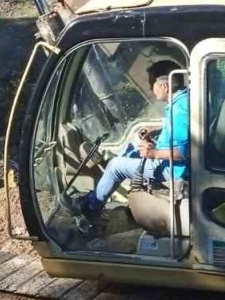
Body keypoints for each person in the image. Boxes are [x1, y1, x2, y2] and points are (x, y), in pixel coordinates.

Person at [80, 59, 189, 212]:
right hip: (169, 161)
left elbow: (187, 152)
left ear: (164, 86)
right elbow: (182, 129)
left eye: (152, 83)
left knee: (115, 167)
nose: (151, 88)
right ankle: (109, 179)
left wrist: (154, 152)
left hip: (172, 170)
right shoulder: (183, 100)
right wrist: (156, 128)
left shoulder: (180, 111)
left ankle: (91, 207)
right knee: (132, 146)